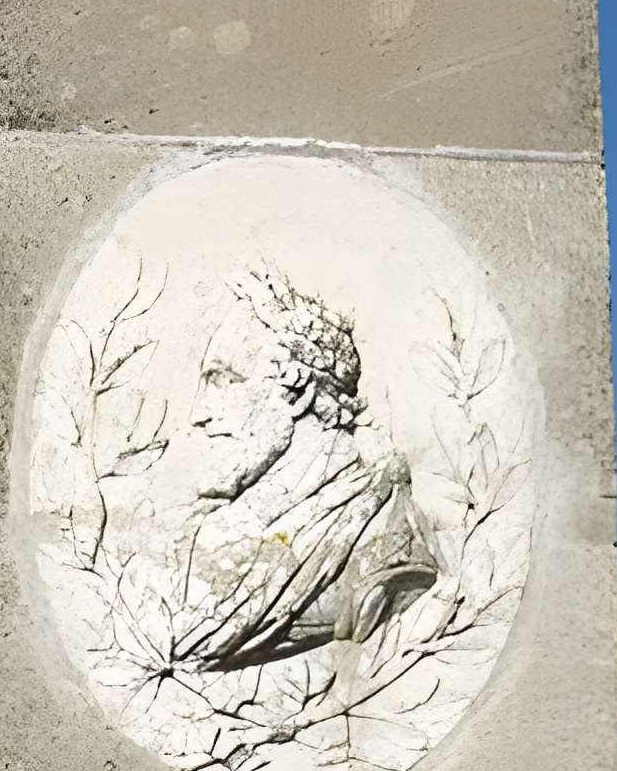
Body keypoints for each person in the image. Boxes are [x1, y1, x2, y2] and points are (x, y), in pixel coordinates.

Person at [171, 272, 437, 678]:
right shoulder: (209, 536)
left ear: (297, 392)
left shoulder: (385, 541)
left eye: (223, 381)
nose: (199, 416)